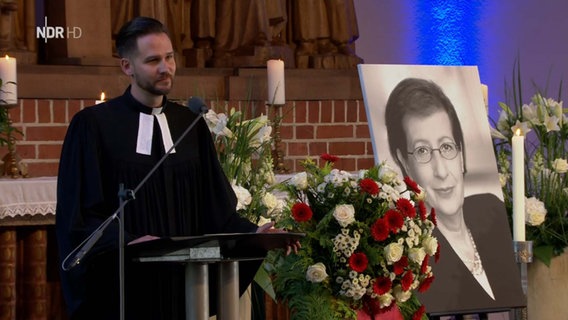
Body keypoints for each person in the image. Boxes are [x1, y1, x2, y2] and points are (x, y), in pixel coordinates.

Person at [56, 16, 296, 320]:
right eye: (153, 60)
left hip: (182, 284)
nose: (165, 67)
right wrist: (127, 241)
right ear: (127, 66)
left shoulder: (190, 124)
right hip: (126, 287)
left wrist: (254, 234)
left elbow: (215, 211)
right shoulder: (94, 126)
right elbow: (79, 216)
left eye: (169, 57)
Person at [384, 78, 524, 317]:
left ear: (461, 153)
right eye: (422, 151)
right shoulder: (411, 252)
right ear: (404, 163)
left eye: (447, 147)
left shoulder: (490, 208)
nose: (441, 171)